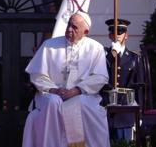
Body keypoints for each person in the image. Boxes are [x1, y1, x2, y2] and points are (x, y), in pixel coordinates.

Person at [22, 11, 110, 147]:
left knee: (80, 103)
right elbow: (37, 74)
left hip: (82, 94)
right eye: (69, 24)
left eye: (74, 27)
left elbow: (100, 76)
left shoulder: (95, 48)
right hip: (51, 93)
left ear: (85, 31)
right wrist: (53, 90)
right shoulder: (49, 45)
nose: (69, 29)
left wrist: (78, 90)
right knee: (52, 102)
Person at [103, 18, 144, 141]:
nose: (117, 35)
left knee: (125, 142)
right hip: (105, 107)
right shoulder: (103, 55)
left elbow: (139, 86)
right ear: (110, 35)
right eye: (113, 32)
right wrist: (112, 54)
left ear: (126, 35)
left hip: (126, 109)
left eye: (120, 32)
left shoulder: (134, 58)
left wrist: (140, 113)